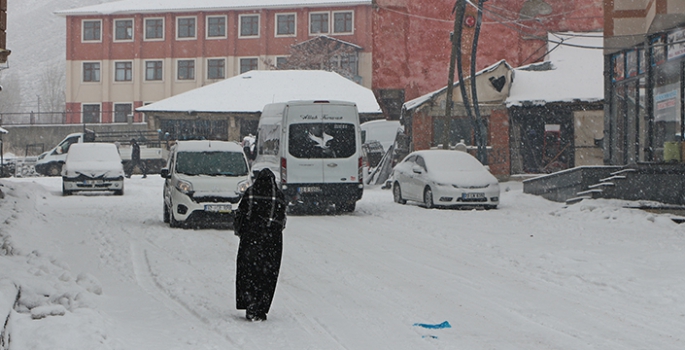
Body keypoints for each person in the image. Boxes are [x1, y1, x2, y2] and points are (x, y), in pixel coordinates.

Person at [234, 168, 286, 322]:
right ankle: (261, 307)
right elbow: (281, 220)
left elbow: (242, 214)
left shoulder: (250, 193)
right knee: (267, 274)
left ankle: (249, 302)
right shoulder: (279, 196)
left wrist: (242, 231)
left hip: (251, 238)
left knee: (248, 271)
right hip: (272, 241)